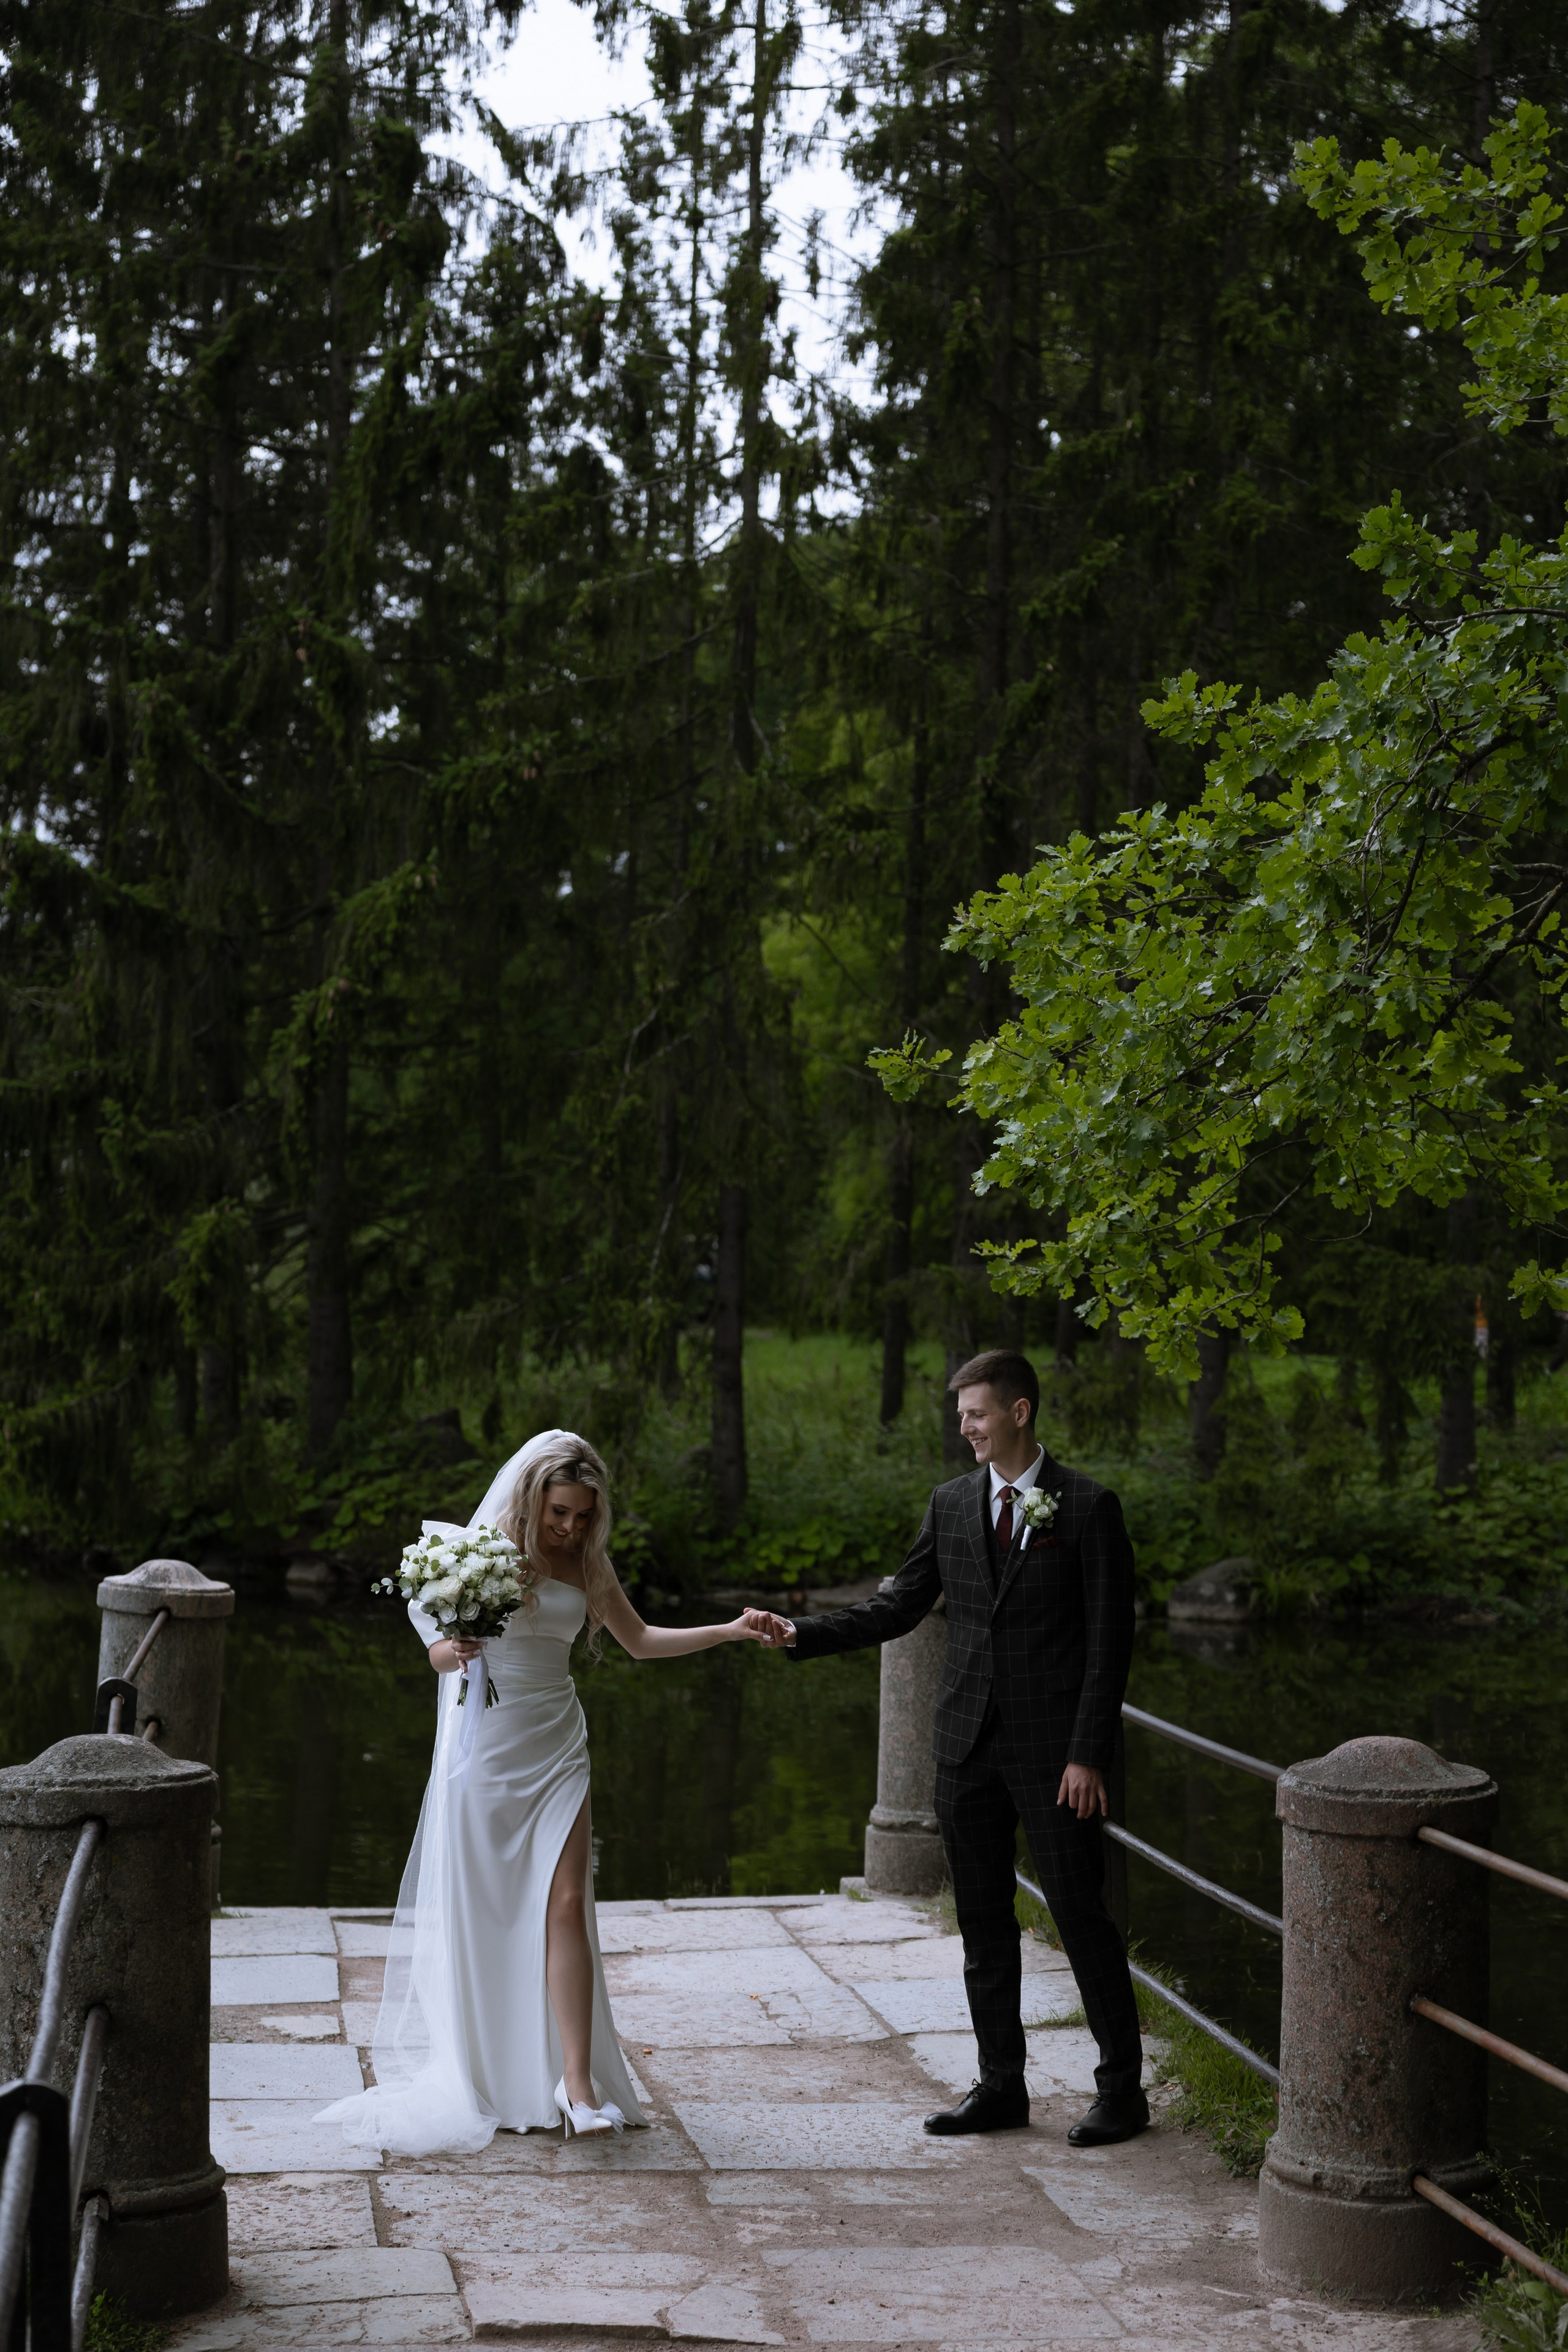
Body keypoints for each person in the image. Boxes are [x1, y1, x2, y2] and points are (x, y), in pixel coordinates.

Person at [318, 1428, 767, 2157]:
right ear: (533, 1499)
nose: (571, 1526)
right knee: (486, 1914)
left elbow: (642, 1641)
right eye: (560, 1512)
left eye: (584, 1515)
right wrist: (454, 1648)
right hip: (486, 1750)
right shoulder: (482, 1552)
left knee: (566, 1904)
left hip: (557, 1744)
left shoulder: (589, 1563)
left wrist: (733, 1630)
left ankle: (577, 2087)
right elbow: (434, 1648)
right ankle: (489, 2071)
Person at [746, 1348, 1146, 2147]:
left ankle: (1122, 2094)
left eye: (977, 1412)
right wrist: (803, 1634)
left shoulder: (1089, 1508)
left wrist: (1087, 1753)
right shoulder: (953, 1503)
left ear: (1020, 1412)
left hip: (1055, 1755)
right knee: (982, 1920)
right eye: (961, 1414)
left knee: (1079, 1914)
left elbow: (1110, 1642)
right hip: (965, 1745)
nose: (964, 1426)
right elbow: (899, 1606)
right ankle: (1001, 2086)